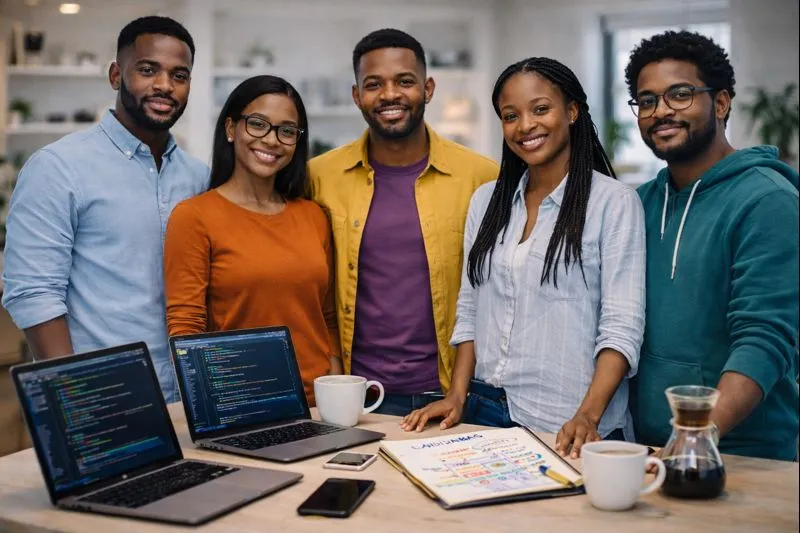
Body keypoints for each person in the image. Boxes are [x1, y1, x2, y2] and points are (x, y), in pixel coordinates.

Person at [402, 57, 646, 459]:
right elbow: (471, 307)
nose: (525, 126)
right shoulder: (487, 201)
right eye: (510, 115)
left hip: (570, 425)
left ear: (571, 112)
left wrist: (588, 415)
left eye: (540, 109)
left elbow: (622, 326)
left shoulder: (614, 203)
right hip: (486, 412)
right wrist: (457, 394)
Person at [1, 16, 207, 402]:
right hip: (100, 393)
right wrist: (73, 393)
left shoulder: (198, 176)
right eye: (148, 70)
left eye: (180, 75)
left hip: (189, 393)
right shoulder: (58, 166)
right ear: (116, 75)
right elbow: (32, 291)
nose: (164, 85)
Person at [624, 31, 799, 461]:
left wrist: (692, 441)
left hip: (742, 455)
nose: (661, 110)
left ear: (720, 103)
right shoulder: (638, 203)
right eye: (646, 101)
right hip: (644, 450)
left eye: (679, 94)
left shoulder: (768, 201)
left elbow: (763, 339)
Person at [308, 29, 499, 415]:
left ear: (428, 88)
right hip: (352, 394)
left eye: (405, 81)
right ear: (356, 95)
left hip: (451, 396)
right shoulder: (319, 176)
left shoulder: (482, 176)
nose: (390, 95)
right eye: (373, 84)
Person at [164, 75, 342, 404]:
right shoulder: (194, 216)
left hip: (318, 403)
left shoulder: (313, 215)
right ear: (231, 129)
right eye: (258, 124)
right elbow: (185, 327)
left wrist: (333, 379)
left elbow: (326, 316)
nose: (272, 140)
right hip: (241, 404)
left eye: (287, 131)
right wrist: (212, 404)